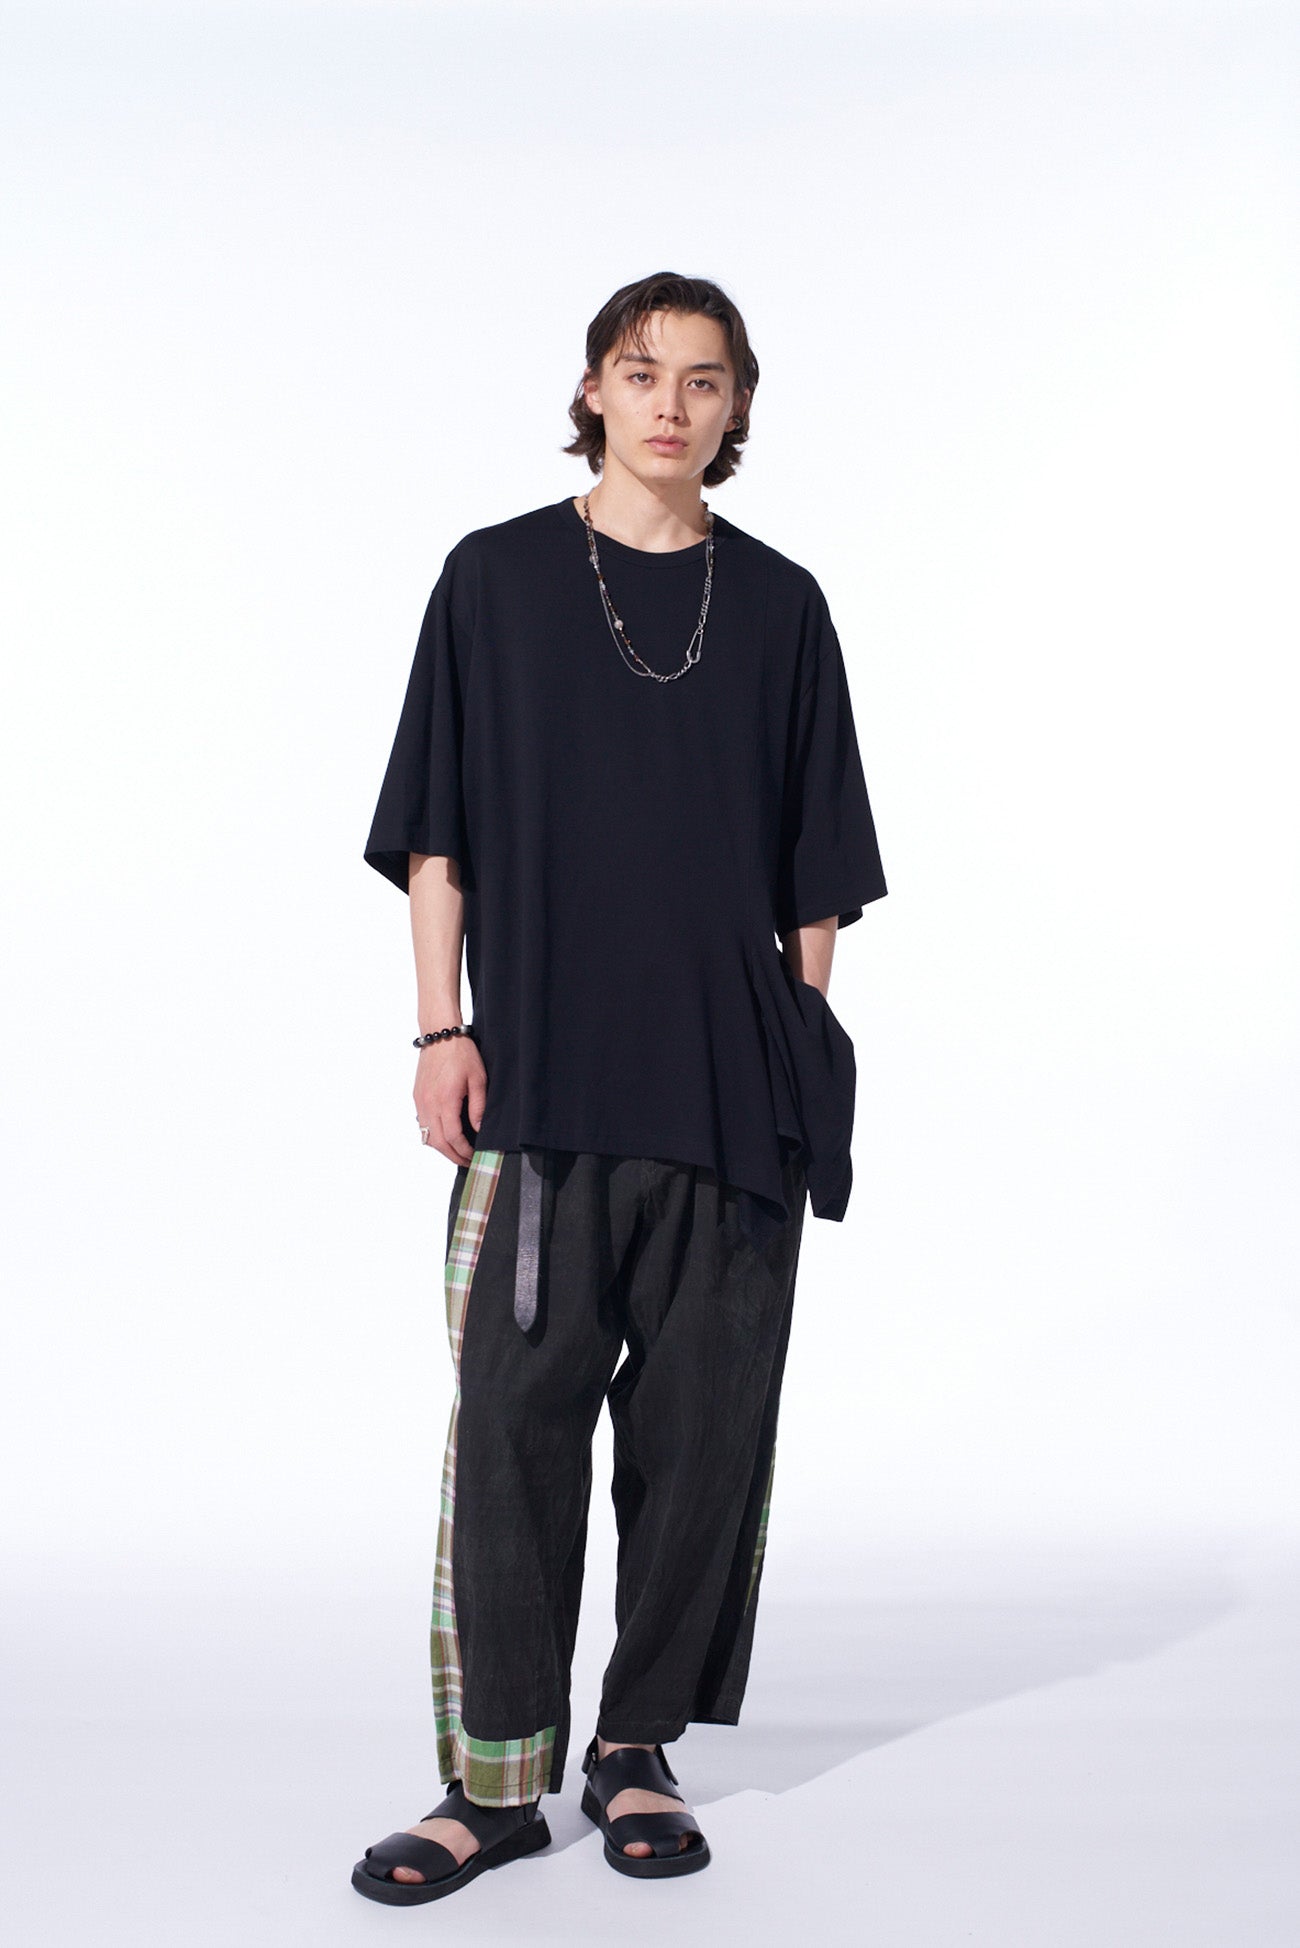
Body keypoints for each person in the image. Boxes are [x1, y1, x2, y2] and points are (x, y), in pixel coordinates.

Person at [351, 271, 888, 1905]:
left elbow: (816, 871)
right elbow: (438, 832)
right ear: (592, 389)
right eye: (642, 372)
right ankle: (495, 1785)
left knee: (703, 1441)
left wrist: (800, 1041)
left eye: (704, 380)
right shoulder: (496, 581)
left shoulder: (781, 605)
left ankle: (636, 1747)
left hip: (730, 1095)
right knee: (512, 1439)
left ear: (738, 409)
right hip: (544, 1085)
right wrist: (440, 1031)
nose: (671, 403)